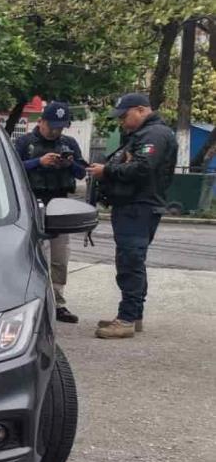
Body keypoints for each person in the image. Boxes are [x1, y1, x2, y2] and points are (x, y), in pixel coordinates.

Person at [88, 93, 178, 340]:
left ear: (140, 110)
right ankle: (132, 314)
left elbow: (142, 167)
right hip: (133, 205)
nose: (122, 123)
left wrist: (107, 170)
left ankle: (127, 319)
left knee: (130, 261)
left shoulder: (155, 134)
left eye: (125, 116)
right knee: (130, 261)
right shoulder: (144, 134)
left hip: (139, 206)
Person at [15, 101, 85, 324]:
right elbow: (12, 169)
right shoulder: (25, 143)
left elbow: (83, 172)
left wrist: (69, 164)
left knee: (59, 255)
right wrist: (39, 162)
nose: (56, 131)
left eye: (61, 127)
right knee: (36, 254)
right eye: (53, 126)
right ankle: (35, 301)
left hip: (60, 203)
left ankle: (58, 301)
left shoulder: (69, 143)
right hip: (32, 203)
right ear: (42, 121)